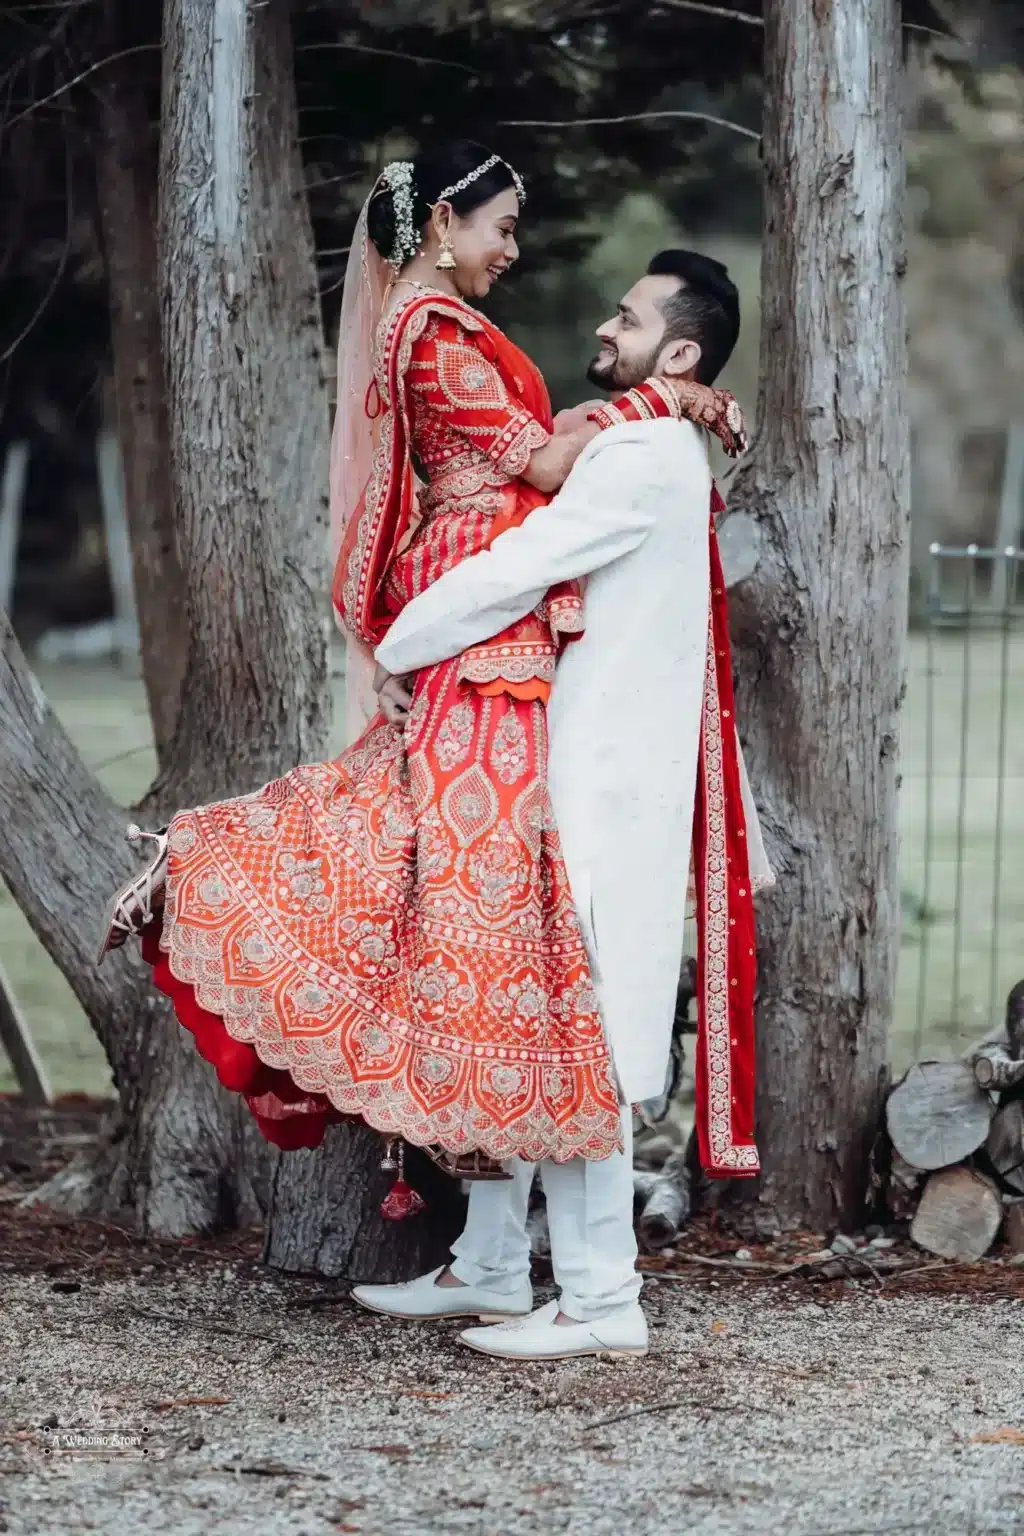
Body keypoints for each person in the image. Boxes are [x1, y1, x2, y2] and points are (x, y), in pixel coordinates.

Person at [94, 145, 744, 1203]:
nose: (512, 251)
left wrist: (676, 403)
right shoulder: (434, 331)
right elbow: (536, 464)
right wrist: (676, 404)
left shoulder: (448, 326)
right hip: (480, 588)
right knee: (451, 853)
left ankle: (484, 1190)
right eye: (500, 229)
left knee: (454, 855)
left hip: (498, 594)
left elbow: (543, 448)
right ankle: (210, 876)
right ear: (443, 224)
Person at [351, 250, 774, 1361]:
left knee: (582, 1033)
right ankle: (493, 1265)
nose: (605, 323)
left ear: (677, 353)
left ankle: (601, 1300)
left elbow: (522, 564)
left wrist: (393, 646)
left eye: (628, 318)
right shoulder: (652, 434)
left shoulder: (641, 456)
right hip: (576, 769)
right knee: (531, 1016)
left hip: (607, 784)